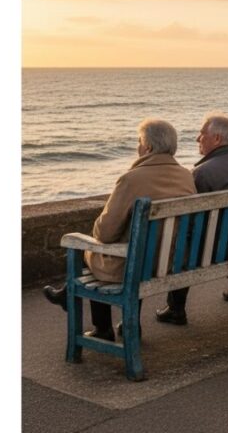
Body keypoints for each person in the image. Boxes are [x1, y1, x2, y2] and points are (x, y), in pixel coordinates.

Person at [43, 119, 196, 341]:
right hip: (171, 261)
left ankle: (102, 329)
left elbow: (104, 233)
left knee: (91, 250)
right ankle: (128, 323)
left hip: (136, 265)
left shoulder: (131, 179)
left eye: (139, 142)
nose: (137, 147)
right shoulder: (186, 176)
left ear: (148, 148)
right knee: (137, 249)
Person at [158, 113, 228, 322]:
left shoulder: (201, 173)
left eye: (202, 134)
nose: (197, 139)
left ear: (217, 139)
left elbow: (190, 222)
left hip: (212, 250)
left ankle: (175, 308)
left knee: (181, 238)